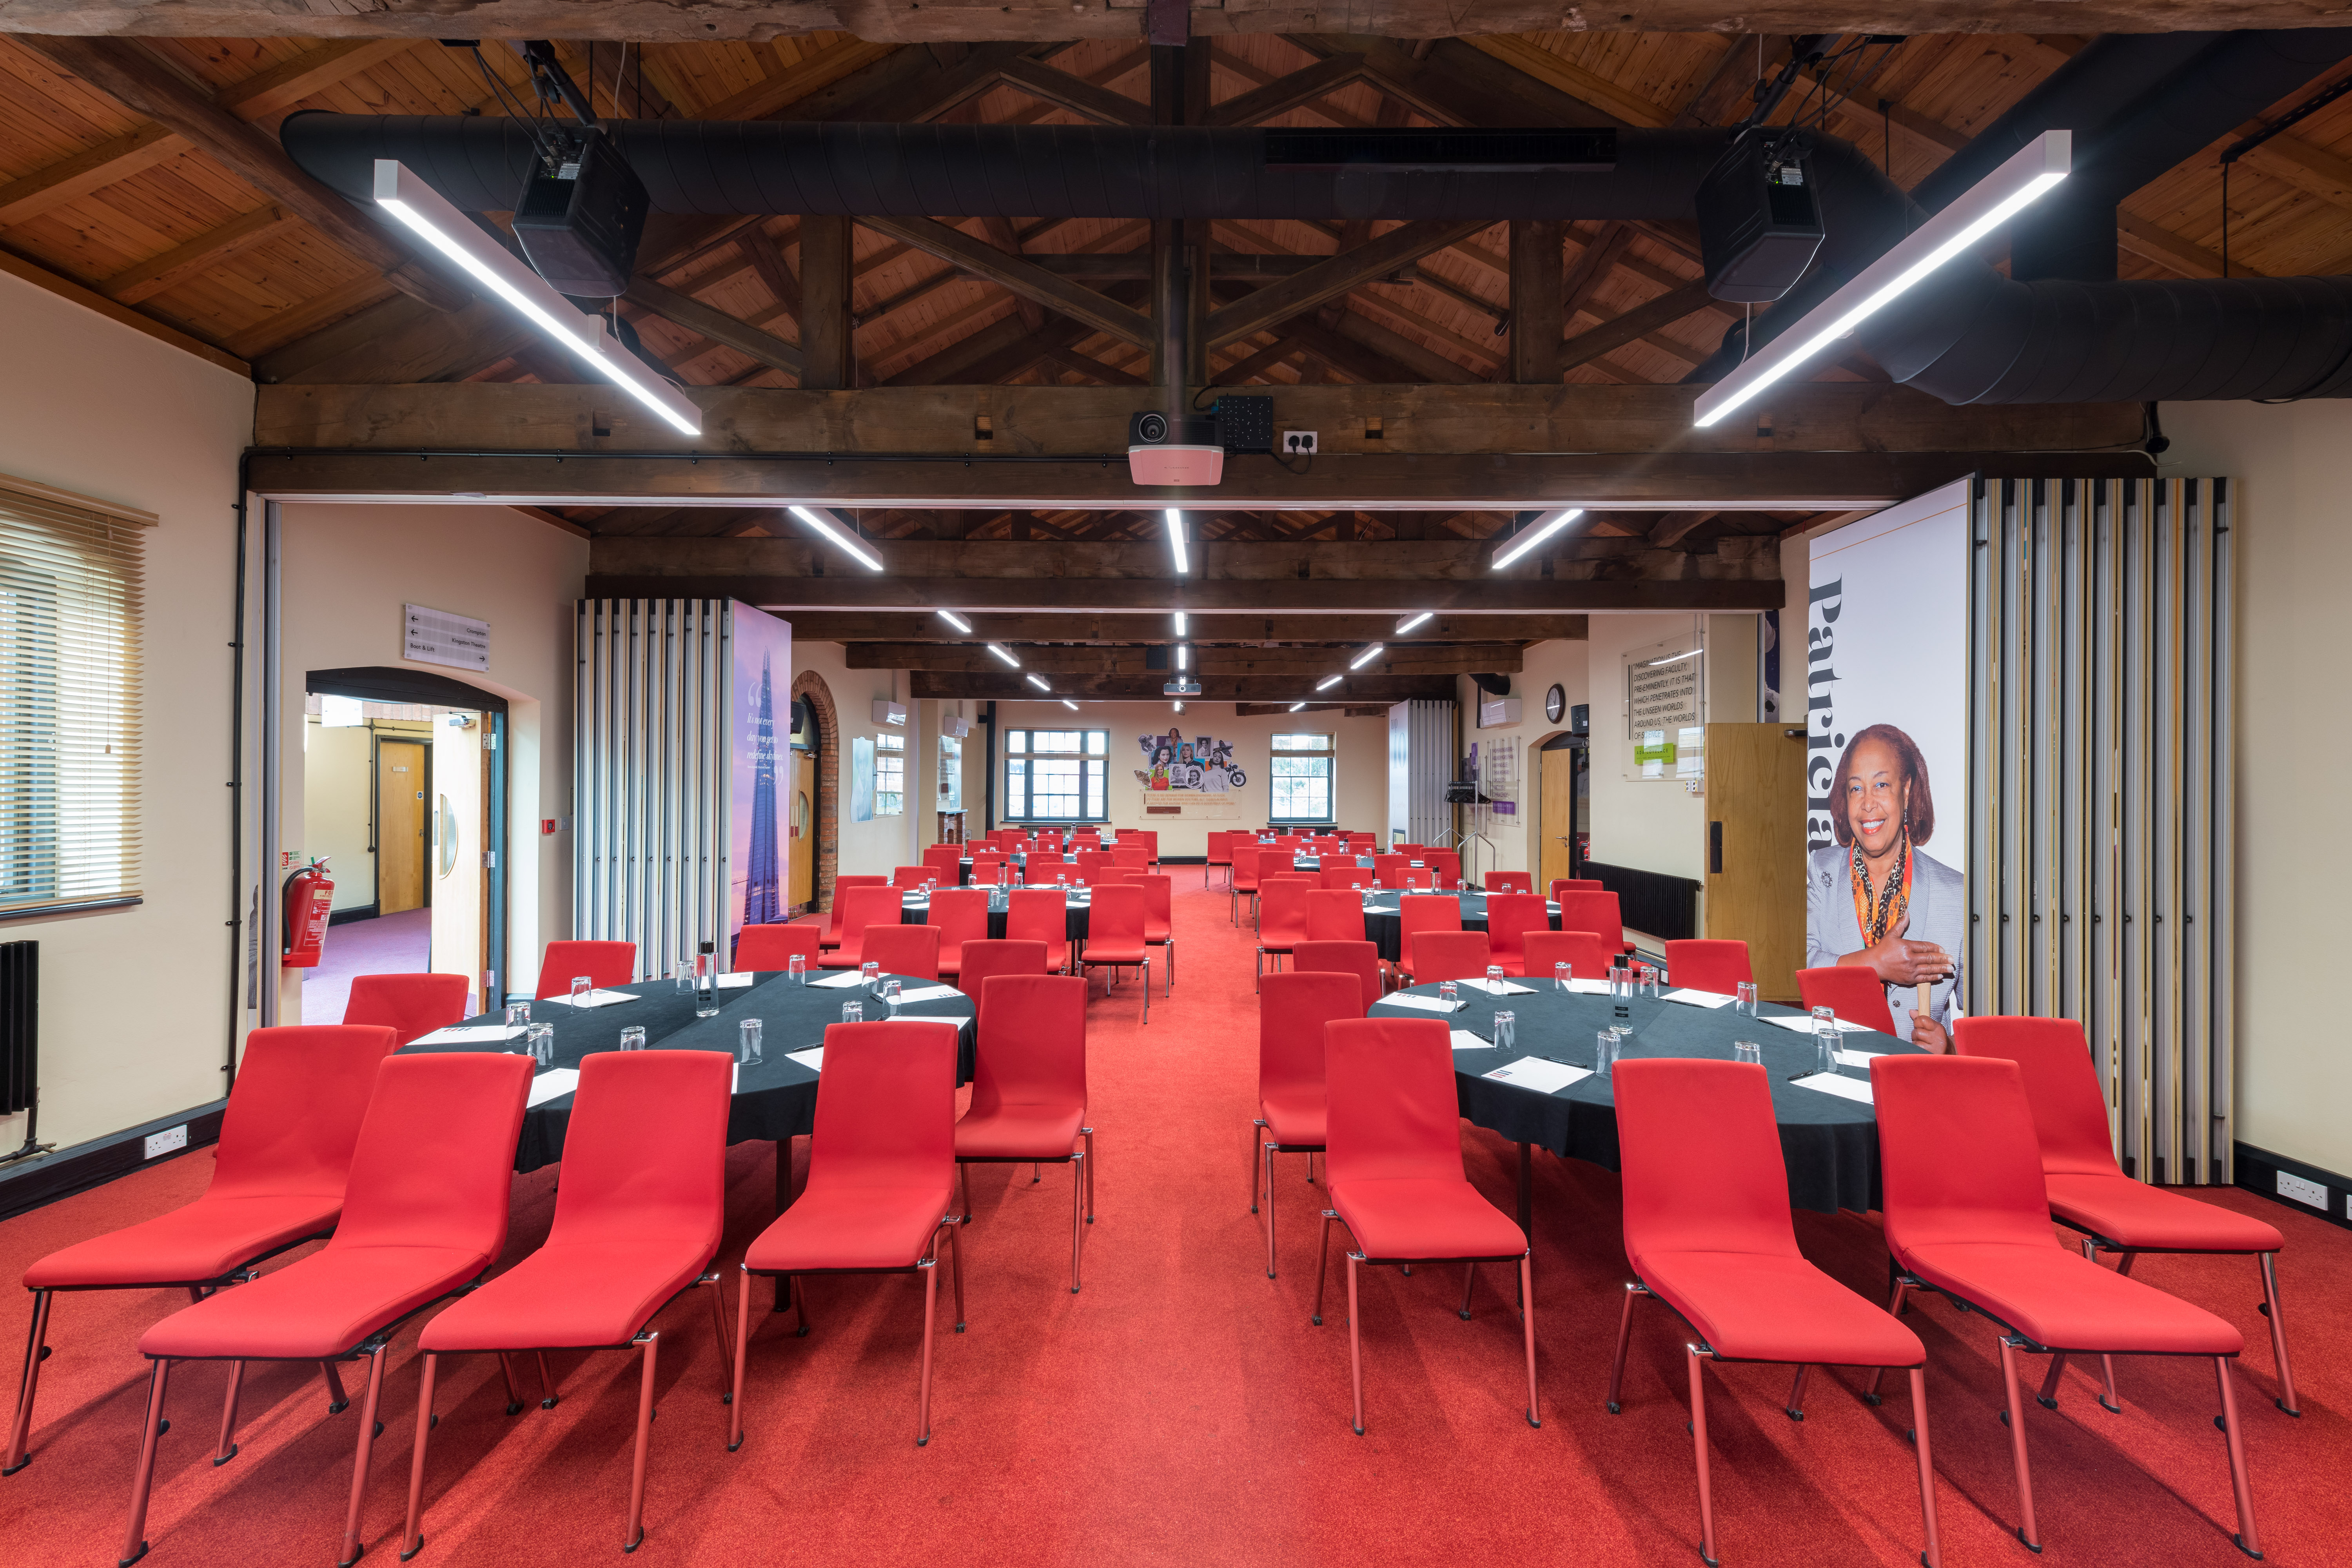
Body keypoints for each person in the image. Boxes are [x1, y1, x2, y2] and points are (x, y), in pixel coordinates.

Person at [1805, 723, 1961, 1053]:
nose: (1867, 804)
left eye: (1881, 785)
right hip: (1834, 1078)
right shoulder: (1821, 871)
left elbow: (1992, 1021)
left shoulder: (1957, 893)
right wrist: (1874, 962)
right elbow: (1803, 965)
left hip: (1918, 1087)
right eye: (1856, 789)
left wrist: (1949, 1046)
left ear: (1906, 791)